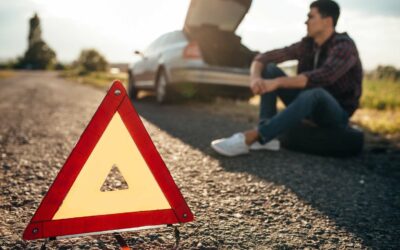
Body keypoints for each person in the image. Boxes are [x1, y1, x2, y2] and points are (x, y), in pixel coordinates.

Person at [211, 0, 363, 157]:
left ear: (327, 21)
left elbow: (323, 76)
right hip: (307, 101)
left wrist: (276, 83)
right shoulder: (308, 45)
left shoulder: (344, 47)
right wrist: (256, 78)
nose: (306, 21)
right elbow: (264, 57)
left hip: (336, 113)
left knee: (315, 92)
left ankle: (250, 137)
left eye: (311, 17)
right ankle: (266, 137)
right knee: (269, 69)